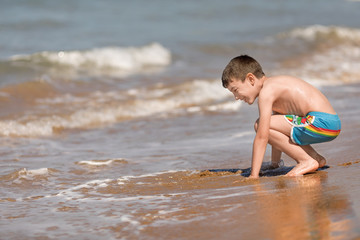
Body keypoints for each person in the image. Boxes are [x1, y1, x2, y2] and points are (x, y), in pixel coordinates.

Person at [221, 55, 341, 178]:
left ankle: (306, 160)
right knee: (270, 124)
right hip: (330, 124)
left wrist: (254, 175)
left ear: (251, 79)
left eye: (235, 90)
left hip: (321, 122)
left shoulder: (267, 92)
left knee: (260, 125)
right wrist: (275, 164)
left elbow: (262, 136)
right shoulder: (274, 87)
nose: (236, 97)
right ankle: (315, 158)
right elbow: (275, 133)